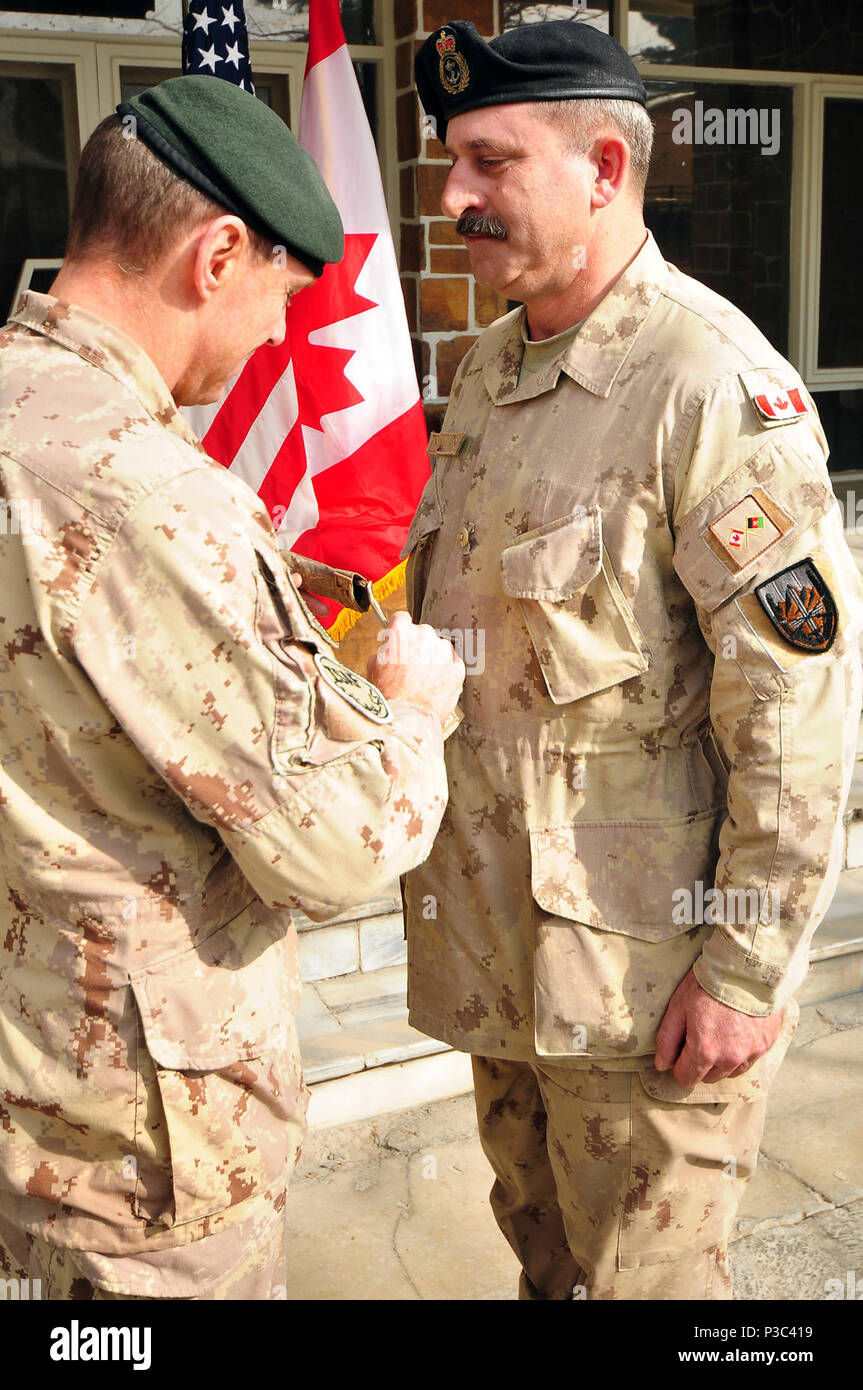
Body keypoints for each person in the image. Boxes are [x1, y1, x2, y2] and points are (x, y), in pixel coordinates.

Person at [403, 19, 863, 1300]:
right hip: (504, 962)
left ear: (604, 167)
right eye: (454, 163)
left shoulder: (709, 388)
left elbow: (794, 707)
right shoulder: (494, 367)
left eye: (490, 162)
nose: (454, 196)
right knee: (548, 1273)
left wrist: (744, 968)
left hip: (646, 988)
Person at [0, 74, 463, 1300]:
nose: (276, 337)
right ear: (217, 254)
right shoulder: (144, 487)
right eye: (282, 296)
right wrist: (414, 714)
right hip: (140, 1153)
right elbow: (338, 844)